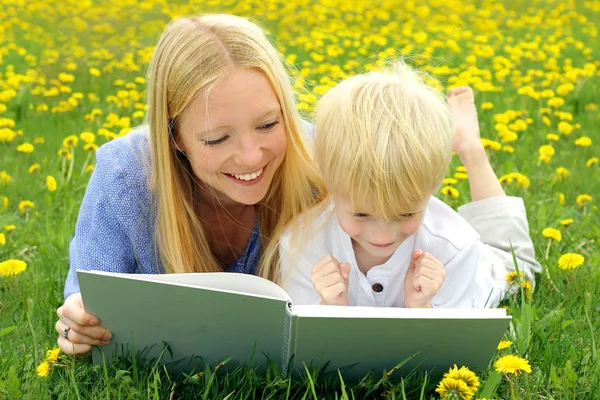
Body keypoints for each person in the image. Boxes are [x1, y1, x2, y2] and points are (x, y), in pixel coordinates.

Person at [55, 14, 327, 354]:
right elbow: (88, 295)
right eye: (217, 139)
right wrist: (78, 323)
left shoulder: (321, 158)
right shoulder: (125, 173)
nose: (250, 157)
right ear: (174, 136)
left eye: (268, 124)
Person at [279, 62, 541, 308]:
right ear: (327, 179)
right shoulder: (301, 242)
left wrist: (423, 309)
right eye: (361, 214)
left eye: (405, 213)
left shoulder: (454, 248)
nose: (383, 236)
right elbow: (303, 342)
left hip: (484, 269)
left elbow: (448, 345)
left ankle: (470, 148)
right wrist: (329, 308)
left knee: (516, 269)